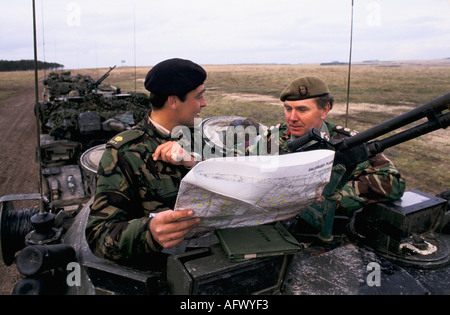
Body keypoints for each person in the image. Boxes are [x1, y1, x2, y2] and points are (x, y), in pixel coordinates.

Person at [86, 58, 207, 266]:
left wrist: (195, 161)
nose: (204, 103)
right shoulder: (123, 153)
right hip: (164, 272)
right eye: (199, 96)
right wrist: (149, 232)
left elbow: (235, 169)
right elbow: (99, 235)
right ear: (173, 101)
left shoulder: (197, 136)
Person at [244, 76, 406, 215]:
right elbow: (243, 166)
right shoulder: (273, 138)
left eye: (302, 110)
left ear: (324, 109)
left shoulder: (346, 143)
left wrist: (334, 198)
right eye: (288, 109)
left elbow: (392, 182)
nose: (292, 118)